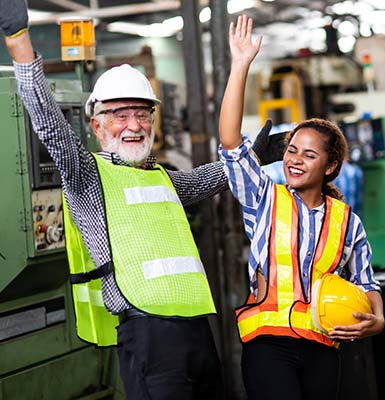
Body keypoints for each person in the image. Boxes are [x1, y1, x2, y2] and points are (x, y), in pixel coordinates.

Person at [1, 2, 282, 399]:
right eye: (120, 115)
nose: (134, 125)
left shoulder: (167, 180)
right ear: (96, 125)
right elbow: (47, 120)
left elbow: (214, 176)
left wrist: (257, 153)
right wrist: (19, 40)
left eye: (142, 113)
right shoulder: (86, 175)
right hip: (148, 336)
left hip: (199, 330)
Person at [217, 15, 385, 400]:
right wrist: (241, 64)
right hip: (267, 346)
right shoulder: (264, 199)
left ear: (329, 167)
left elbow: (366, 283)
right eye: (291, 150)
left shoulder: (346, 222)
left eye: (308, 155)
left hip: (324, 347)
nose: (294, 160)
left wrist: (377, 320)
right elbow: (230, 142)